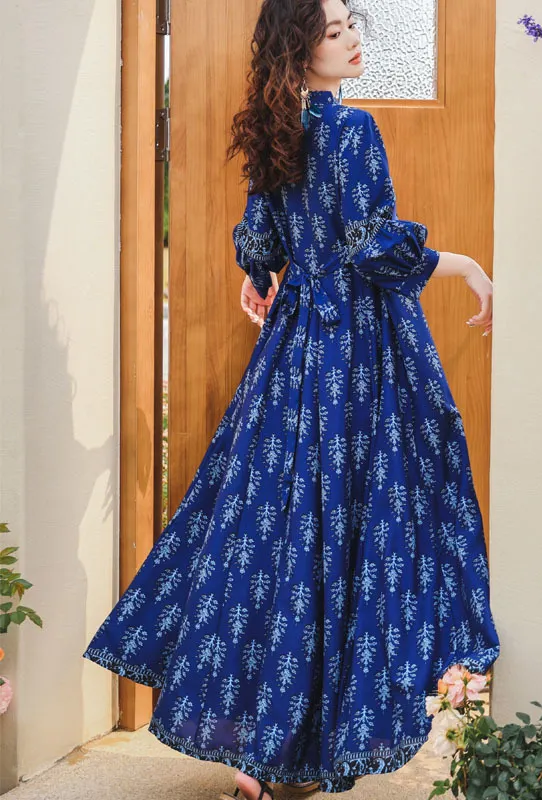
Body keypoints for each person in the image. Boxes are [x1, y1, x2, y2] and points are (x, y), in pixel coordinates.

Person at [82, 0, 500, 796]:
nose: (351, 38)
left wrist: (259, 276)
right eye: (332, 30)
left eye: (351, 24)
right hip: (355, 351)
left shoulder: (279, 131)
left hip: (294, 347)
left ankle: (269, 751)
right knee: (355, 519)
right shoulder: (352, 129)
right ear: (299, 50)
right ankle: (300, 750)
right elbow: (371, 246)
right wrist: (468, 266)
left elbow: (262, 242)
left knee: (278, 523)